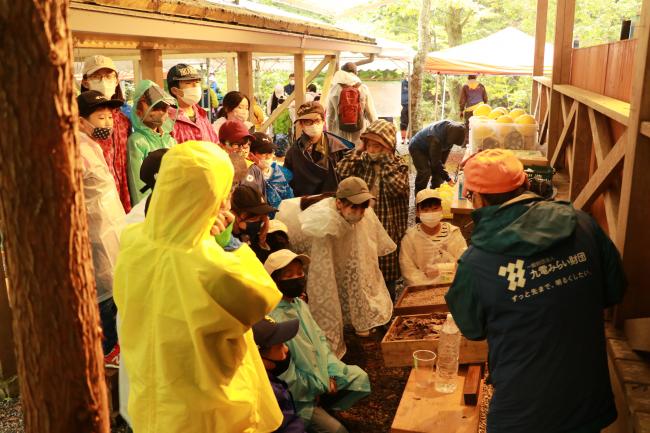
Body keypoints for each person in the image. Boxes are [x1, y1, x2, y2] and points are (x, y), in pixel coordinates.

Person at [445, 149, 626, 433]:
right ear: (527, 185)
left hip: (521, 411)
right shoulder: (583, 223)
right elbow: (614, 291)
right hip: (586, 397)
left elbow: (472, 329)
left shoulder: (475, 262)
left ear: (477, 199)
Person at [114, 141, 284, 433]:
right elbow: (261, 296)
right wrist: (227, 246)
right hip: (207, 413)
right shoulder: (214, 267)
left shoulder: (132, 241)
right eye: (226, 191)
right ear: (215, 197)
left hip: (151, 400)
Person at [266, 250, 371, 433]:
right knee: (338, 431)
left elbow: (320, 340)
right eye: (288, 275)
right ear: (274, 280)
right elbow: (287, 376)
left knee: (359, 378)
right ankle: (316, 410)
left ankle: (325, 404)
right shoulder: (273, 319)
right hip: (298, 396)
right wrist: (320, 385)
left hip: (320, 374)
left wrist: (331, 371)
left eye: (300, 273)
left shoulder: (299, 304)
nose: (297, 278)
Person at [300, 177, 395, 356]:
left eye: (363, 207)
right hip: (333, 258)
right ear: (339, 203)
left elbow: (366, 254)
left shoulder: (366, 216)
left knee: (361, 273)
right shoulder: (325, 223)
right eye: (354, 207)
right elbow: (323, 272)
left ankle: (360, 323)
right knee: (333, 285)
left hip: (354, 253)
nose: (359, 212)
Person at [76, 90, 127, 368]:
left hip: (112, 240)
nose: (107, 122)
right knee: (106, 322)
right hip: (96, 247)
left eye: (110, 116)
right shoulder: (76, 151)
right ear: (81, 121)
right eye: (100, 116)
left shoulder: (93, 146)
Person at [336, 119, 409, 300]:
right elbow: (341, 170)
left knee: (387, 270)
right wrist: (358, 149)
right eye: (370, 144)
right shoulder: (362, 161)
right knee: (364, 265)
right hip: (362, 223)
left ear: (389, 147)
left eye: (379, 145)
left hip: (388, 227)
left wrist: (385, 162)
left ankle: (388, 311)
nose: (373, 150)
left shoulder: (399, 165)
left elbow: (397, 189)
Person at [81, 55, 132, 212]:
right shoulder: (80, 121)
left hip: (123, 198)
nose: (104, 81)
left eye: (109, 76)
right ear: (85, 82)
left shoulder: (123, 119)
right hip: (95, 201)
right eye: (97, 76)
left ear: (117, 80)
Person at [399, 189, 467, 287]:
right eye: (425, 210)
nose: (430, 213)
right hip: (422, 291)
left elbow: (463, 263)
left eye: (435, 208)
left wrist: (441, 269)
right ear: (417, 213)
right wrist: (428, 285)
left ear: (441, 209)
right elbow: (408, 272)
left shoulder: (453, 233)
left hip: (452, 287)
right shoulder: (410, 238)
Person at [127, 80, 177, 206]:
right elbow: (137, 182)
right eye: (155, 108)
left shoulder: (170, 140)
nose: (161, 113)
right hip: (150, 206)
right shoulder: (137, 141)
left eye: (164, 108)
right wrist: (144, 208)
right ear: (138, 112)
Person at [285, 102, 351, 197]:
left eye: (317, 121)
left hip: (332, 203)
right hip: (304, 204)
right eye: (308, 122)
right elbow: (287, 183)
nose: (313, 125)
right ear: (301, 124)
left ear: (323, 121)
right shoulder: (293, 153)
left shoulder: (339, 149)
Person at [252, 316, 305, 433]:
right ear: (260, 359)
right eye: (279, 346)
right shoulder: (268, 393)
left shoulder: (270, 382)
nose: (286, 349)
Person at [326, 62, 378, 146]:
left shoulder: (334, 89)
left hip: (340, 133)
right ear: (355, 73)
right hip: (359, 131)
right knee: (358, 155)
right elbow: (370, 113)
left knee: (342, 156)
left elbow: (329, 115)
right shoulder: (363, 88)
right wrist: (376, 131)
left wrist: (330, 133)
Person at [166, 63, 220, 144]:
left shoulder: (202, 114)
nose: (195, 85)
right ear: (175, 90)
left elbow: (215, 143)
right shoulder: (167, 119)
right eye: (188, 83)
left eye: (197, 82)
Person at [408, 119, 466, 193]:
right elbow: (435, 163)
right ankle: (419, 197)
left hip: (432, 147)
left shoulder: (453, 133)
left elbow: (440, 163)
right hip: (417, 147)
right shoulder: (436, 138)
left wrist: (443, 172)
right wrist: (448, 178)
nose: (452, 144)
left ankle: (435, 196)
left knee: (439, 172)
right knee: (425, 172)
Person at [245, 132, 294, 213]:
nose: (268, 156)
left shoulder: (278, 171)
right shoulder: (248, 176)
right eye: (263, 153)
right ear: (251, 155)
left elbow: (289, 197)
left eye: (271, 152)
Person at [231, 184, 276, 260]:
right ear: (233, 214)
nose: (261, 220)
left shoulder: (268, 236)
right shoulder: (223, 243)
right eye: (254, 215)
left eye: (264, 215)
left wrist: (262, 243)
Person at [459, 74, 488, 140]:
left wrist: (461, 110)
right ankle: (480, 141)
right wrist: (484, 106)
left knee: (468, 126)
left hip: (469, 110)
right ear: (476, 77)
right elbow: (485, 98)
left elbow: (462, 100)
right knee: (480, 126)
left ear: (468, 77)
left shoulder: (465, 86)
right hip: (480, 109)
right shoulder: (481, 86)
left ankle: (467, 142)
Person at [400, 78, 409, 142]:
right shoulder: (402, 83)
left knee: (411, 123)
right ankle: (403, 139)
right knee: (403, 123)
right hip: (404, 105)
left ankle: (410, 138)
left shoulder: (414, 82)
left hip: (412, 106)